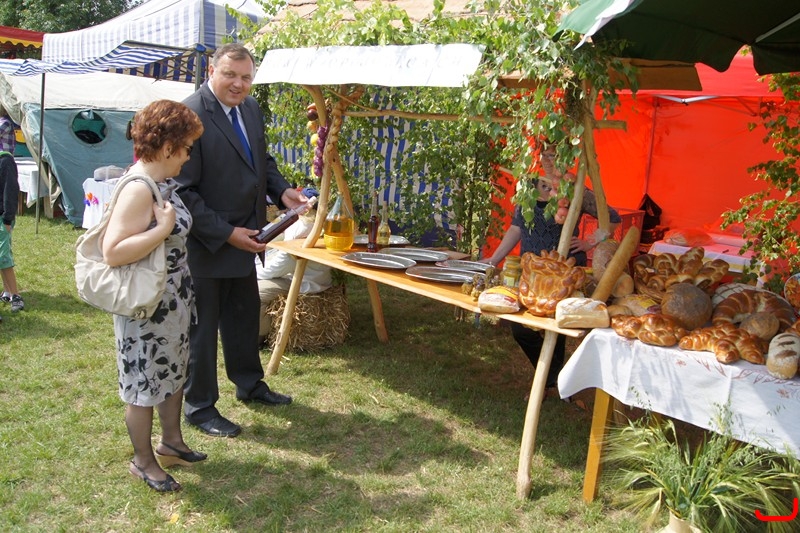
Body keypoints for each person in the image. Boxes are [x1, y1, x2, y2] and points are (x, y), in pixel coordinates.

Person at [175, 43, 309, 438]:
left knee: (243, 317)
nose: (238, 84)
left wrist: (282, 191)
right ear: (211, 70)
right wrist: (227, 233)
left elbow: (261, 162)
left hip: (247, 238)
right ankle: (200, 407)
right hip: (207, 245)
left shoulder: (250, 108)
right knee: (202, 331)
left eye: (246, 77)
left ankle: (249, 384)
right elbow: (182, 191)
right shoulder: (189, 115)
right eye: (230, 75)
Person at [102, 100, 206, 493]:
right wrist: (161, 231)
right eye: (187, 148)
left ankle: (171, 443)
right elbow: (113, 251)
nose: (188, 156)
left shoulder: (159, 183)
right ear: (167, 147)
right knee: (143, 385)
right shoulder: (138, 188)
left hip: (170, 302)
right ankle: (143, 462)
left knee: (172, 373)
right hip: (146, 309)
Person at [483, 142, 621, 393]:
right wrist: (494, 259)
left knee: (553, 330)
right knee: (519, 327)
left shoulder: (574, 190)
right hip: (532, 272)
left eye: (556, 156)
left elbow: (612, 218)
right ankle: (555, 380)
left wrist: (590, 242)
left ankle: (551, 384)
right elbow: (516, 228)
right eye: (546, 155)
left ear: (568, 158)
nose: (550, 161)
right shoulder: (528, 185)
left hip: (562, 271)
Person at [256, 197, 332, 345]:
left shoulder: (303, 226)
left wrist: (254, 272)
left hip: (304, 282)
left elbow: (283, 264)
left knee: (256, 292)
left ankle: (260, 335)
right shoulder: (320, 224)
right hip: (316, 278)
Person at [0, 104, 24, 315]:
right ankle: (7, 292)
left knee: (4, 258)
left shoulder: (5, 160)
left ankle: (16, 294)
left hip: (2, 218)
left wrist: (7, 219)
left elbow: (10, 192)